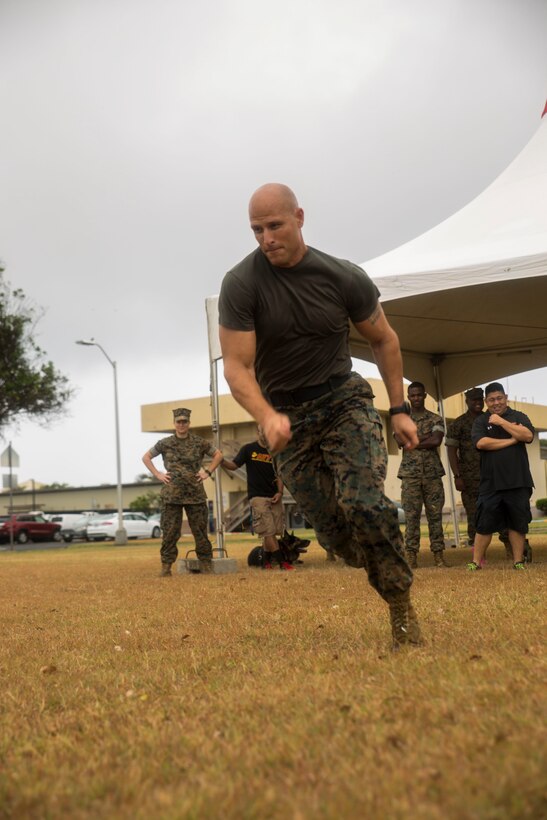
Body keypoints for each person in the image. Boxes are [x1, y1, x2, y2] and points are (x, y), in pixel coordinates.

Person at [218, 182, 422, 650]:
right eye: (257, 230)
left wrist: (399, 410)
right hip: (287, 419)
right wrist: (266, 415)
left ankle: (400, 606)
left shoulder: (343, 277)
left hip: (343, 402)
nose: (267, 238)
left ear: (299, 217)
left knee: (365, 504)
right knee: (337, 537)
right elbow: (236, 366)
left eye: (275, 226)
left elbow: (384, 339)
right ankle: (372, 558)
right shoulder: (242, 284)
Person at [142, 408, 223, 576]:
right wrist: (158, 474)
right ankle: (166, 568)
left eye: (184, 421)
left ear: (189, 423)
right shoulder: (165, 443)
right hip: (172, 495)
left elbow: (218, 455)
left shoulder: (199, 442)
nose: (181, 424)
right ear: (174, 423)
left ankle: (206, 564)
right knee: (170, 532)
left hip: (195, 494)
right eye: (179, 421)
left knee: (200, 531)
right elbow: (146, 457)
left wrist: (207, 472)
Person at [468, 382, 534, 571]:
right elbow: (481, 443)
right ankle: (475, 562)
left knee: (517, 524)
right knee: (484, 524)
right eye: (491, 400)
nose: (496, 402)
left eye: (499, 398)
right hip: (491, 482)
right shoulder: (481, 421)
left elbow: (528, 436)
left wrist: (502, 422)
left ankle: (518, 561)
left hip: (518, 480)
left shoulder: (519, 416)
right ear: (486, 402)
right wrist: (512, 439)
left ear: (506, 398)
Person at [446, 387, 511, 555]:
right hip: (470, 480)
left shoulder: (492, 419)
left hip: (494, 476)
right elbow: (451, 451)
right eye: (473, 400)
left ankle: (510, 550)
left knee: (503, 512)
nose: (477, 403)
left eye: (479, 399)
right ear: (466, 401)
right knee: (474, 517)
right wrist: (457, 476)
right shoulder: (458, 424)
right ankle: (479, 556)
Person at [221, 426, 292, 570]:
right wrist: (221, 460)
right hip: (257, 496)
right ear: (257, 432)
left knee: (273, 531)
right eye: (262, 431)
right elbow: (234, 466)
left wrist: (280, 492)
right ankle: (282, 563)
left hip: (274, 496)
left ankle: (266, 563)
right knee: (268, 531)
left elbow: (280, 475)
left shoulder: (276, 451)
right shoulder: (248, 449)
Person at [395, 382, 448, 568]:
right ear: (408, 397)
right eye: (413, 395)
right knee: (411, 517)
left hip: (432, 474)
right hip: (410, 475)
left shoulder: (435, 419)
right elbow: (400, 441)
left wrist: (412, 440)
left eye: (419, 395)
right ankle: (411, 557)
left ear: (425, 395)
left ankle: (439, 557)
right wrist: (423, 437)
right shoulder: (401, 420)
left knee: (435, 516)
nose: (416, 398)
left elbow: (436, 440)